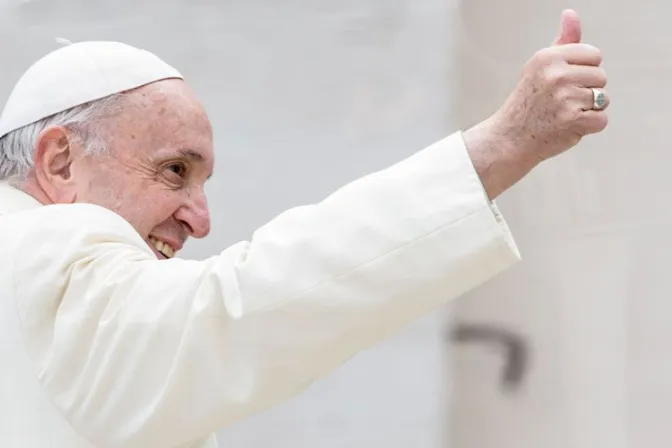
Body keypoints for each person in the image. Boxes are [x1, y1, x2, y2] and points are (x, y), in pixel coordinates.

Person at [0, 9, 608, 448]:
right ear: (59, 162)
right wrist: (501, 148)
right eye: (174, 170)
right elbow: (243, 308)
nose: (200, 220)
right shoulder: (44, 246)